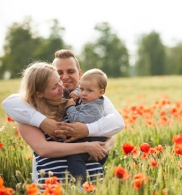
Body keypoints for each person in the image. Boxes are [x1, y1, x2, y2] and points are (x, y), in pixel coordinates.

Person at [2, 49, 124, 183]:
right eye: (59, 75)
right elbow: (9, 102)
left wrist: (90, 133)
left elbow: (116, 123)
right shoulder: (28, 110)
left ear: (80, 74)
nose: (64, 78)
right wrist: (43, 121)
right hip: (56, 184)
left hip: (95, 182)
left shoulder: (92, 100)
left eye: (70, 71)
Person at [65, 68, 112, 183]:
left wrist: (70, 107)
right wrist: (76, 93)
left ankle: (79, 184)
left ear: (101, 92)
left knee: (75, 158)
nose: (84, 93)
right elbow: (81, 89)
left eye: (89, 90)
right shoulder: (89, 99)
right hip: (89, 141)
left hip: (94, 142)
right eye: (82, 89)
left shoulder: (94, 108)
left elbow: (76, 119)